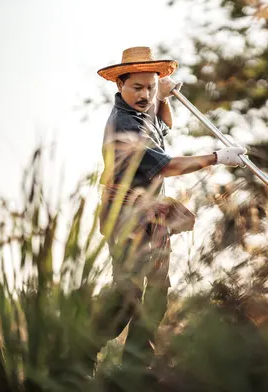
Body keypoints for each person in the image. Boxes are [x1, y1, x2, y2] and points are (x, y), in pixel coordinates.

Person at [89, 46, 246, 386]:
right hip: (126, 216)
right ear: (120, 86)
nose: (144, 95)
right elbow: (170, 165)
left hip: (151, 212)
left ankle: (134, 367)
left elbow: (164, 125)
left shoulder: (143, 111)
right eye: (137, 88)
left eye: (150, 86)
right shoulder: (124, 126)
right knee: (127, 294)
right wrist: (217, 156)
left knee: (159, 292)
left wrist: (165, 97)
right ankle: (82, 350)